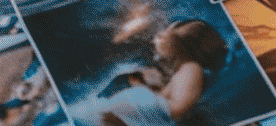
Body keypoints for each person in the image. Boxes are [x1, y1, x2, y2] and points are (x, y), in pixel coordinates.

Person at [92, 20, 227, 126]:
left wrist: (141, 96)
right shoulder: (183, 72)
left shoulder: (192, 67)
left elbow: (176, 109)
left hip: (141, 112)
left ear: (178, 47)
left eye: (162, 36)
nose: (156, 37)